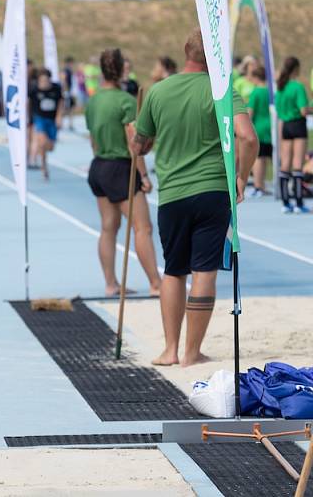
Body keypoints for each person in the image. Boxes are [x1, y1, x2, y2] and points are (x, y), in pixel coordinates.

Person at [132, 29, 258, 367]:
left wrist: (136, 139)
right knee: (204, 270)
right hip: (212, 190)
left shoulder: (158, 91)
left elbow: (141, 145)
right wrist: (242, 177)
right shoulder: (221, 91)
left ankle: (170, 349)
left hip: (172, 193)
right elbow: (247, 137)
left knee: (174, 271)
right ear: (216, 56)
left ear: (185, 52)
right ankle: (191, 353)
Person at [85, 49, 161, 297]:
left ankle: (110, 284)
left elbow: (93, 140)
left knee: (109, 226)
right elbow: (134, 142)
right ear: (119, 70)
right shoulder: (125, 101)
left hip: (99, 166)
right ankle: (155, 283)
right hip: (120, 167)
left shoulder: (93, 100)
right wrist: (145, 176)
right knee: (143, 227)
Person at [275, 56, 310, 213]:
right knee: (297, 165)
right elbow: (303, 110)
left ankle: (285, 203)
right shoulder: (297, 87)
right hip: (297, 124)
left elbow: (278, 109)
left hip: (285, 125)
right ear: (296, 68)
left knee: (285, 164)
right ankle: (299, 203)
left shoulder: (281, 87)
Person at [29, 68, 62, 180]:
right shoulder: (34, 90)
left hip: (52, 120)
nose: (44, 83)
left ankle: (41, 152)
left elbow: (61, 103)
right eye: (41, 81)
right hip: (40, 118)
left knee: (51, 147)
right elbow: (27, 103)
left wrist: (59, 116)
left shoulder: (56, 88)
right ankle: (44, 166)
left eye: (46, 81)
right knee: (42, 141)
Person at [247, 65, 272, 197]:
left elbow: (250, 111)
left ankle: (258, 186)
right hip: (270, 127)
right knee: (267, 158)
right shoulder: (271, 91)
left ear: (256, 77)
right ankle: (262, 185)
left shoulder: (256, 92)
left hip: (259, 128)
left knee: (258, 158)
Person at [61, 57, 76, 130]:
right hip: (67, 92)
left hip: (70, 91)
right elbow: (63, 80)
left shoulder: (69, 70)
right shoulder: (65, 70)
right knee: (65, 108)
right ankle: (60, 122)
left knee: (71, 108)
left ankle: (70, 124)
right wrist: (65, 91)